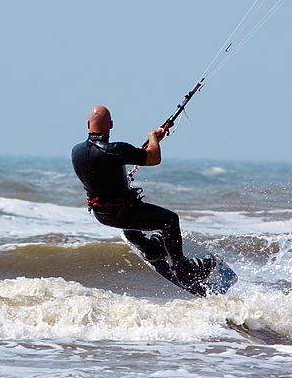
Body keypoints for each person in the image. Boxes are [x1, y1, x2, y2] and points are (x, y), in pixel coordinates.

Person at [71, 105, 212, 283]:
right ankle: (183, 269)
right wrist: (153, 139)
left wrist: (137, 154)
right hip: (124, 214)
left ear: (87, 124)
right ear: (111, 125)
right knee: (170, 221)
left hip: (102, 215)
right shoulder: (116, 150)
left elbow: (104, 174)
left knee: (130, 217)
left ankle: (150, 249)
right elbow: (154, 158)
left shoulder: (76, 151)